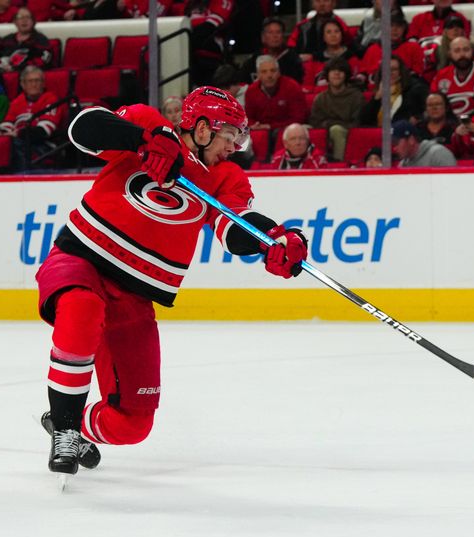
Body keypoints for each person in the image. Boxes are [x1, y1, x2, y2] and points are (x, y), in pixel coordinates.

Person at [38, 86, 309, 477]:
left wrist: (275, 242)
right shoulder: (151, 125)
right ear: (202, 129)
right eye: (229, 136)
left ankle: (72, 423)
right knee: (82, 307)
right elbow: (82, 128)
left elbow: (233, 226)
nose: (234, 147)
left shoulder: (225, 177)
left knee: (132, 424)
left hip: (134, 297)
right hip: (81, 258)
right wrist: (143, 140)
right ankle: (65, 428)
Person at [0, 66, 63, 171]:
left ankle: (23, 176)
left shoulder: (51, 99)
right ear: (23, 84)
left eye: (37, 81)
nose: (34, 84)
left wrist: (17, 133)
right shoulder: (17, 102)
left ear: (43, 83)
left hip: (43, 145)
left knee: (14, 145)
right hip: (19, 142)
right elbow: (6, 125)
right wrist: (8, 133)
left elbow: (43, 131)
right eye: (30, 81)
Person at [308, 57, 364, 161]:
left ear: (346, 75)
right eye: (333, 70)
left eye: (340, 71)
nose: (337, 73)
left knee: (336, 130)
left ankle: (338, 164)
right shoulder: (320, 98)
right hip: (324, 131)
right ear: (327, 75)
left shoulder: (356, 97)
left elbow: (357, 123)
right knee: (301, 128)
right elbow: (315, 121)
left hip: (347, 133)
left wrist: (330, 123)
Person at [430, 36, 474, 119]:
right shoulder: (441, 76)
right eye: (457, 51)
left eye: (466, 50)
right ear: (449, 54)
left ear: (472, 51)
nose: (462, 54)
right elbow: (432, 105)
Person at [360, 55, 429, 126]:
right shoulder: (379, 91)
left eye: (394, 69)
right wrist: (378, 96)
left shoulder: (416, 88)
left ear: (401, 71)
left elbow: (426, 113)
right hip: (379, 133)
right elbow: (364, 120)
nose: (390, 73)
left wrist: (416, 119)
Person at [244, 56, 308, 132]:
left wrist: (270, 126)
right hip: (260, 131)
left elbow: (298, 118)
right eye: (264, 72)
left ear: (279, 73)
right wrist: (255, 125)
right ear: (258, 75)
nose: (269, 75)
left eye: (273, 71)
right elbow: (248, 118)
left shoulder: (292, 87)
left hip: (287, 129)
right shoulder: (251, 91)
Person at [239, 17, 304, 85]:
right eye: (270, 32)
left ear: (283, 36)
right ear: (263, 37)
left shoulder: (293, 60)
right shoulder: (253, 61)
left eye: (278, 32)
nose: (275, 36)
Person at [288, 0, 352, 62]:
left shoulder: (342, 26)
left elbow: (351, 49)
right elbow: (290, 49)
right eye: (318, 1)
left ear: (334, 3)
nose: (322, 4)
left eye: (326, 1)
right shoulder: (302, 27)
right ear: (312, 4)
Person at [0, 7, 53, 73]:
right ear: (15, 22)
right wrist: (1, 66)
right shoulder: (6, 40)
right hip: (5, 74)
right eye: (20, 17)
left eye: (27, 17)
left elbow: (45, 60)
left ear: (33, 21)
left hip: (30, 75)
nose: (24, 20)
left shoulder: (40, 40)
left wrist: (16, 68)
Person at [392, 119, 456, 167]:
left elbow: (452, 183)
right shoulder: (403, 164)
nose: (394, 148)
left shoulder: (439, 154)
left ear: (411, 140)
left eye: (396, 142)